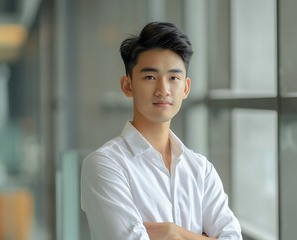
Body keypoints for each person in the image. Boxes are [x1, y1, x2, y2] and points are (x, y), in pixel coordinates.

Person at [81, 21, 242, 240]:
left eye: (174, 78)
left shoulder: (201, 170)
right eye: (150, 77)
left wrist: (174, 233)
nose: (163, 90)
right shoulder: (105, 165)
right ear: (127, 86)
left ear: (185, 88)